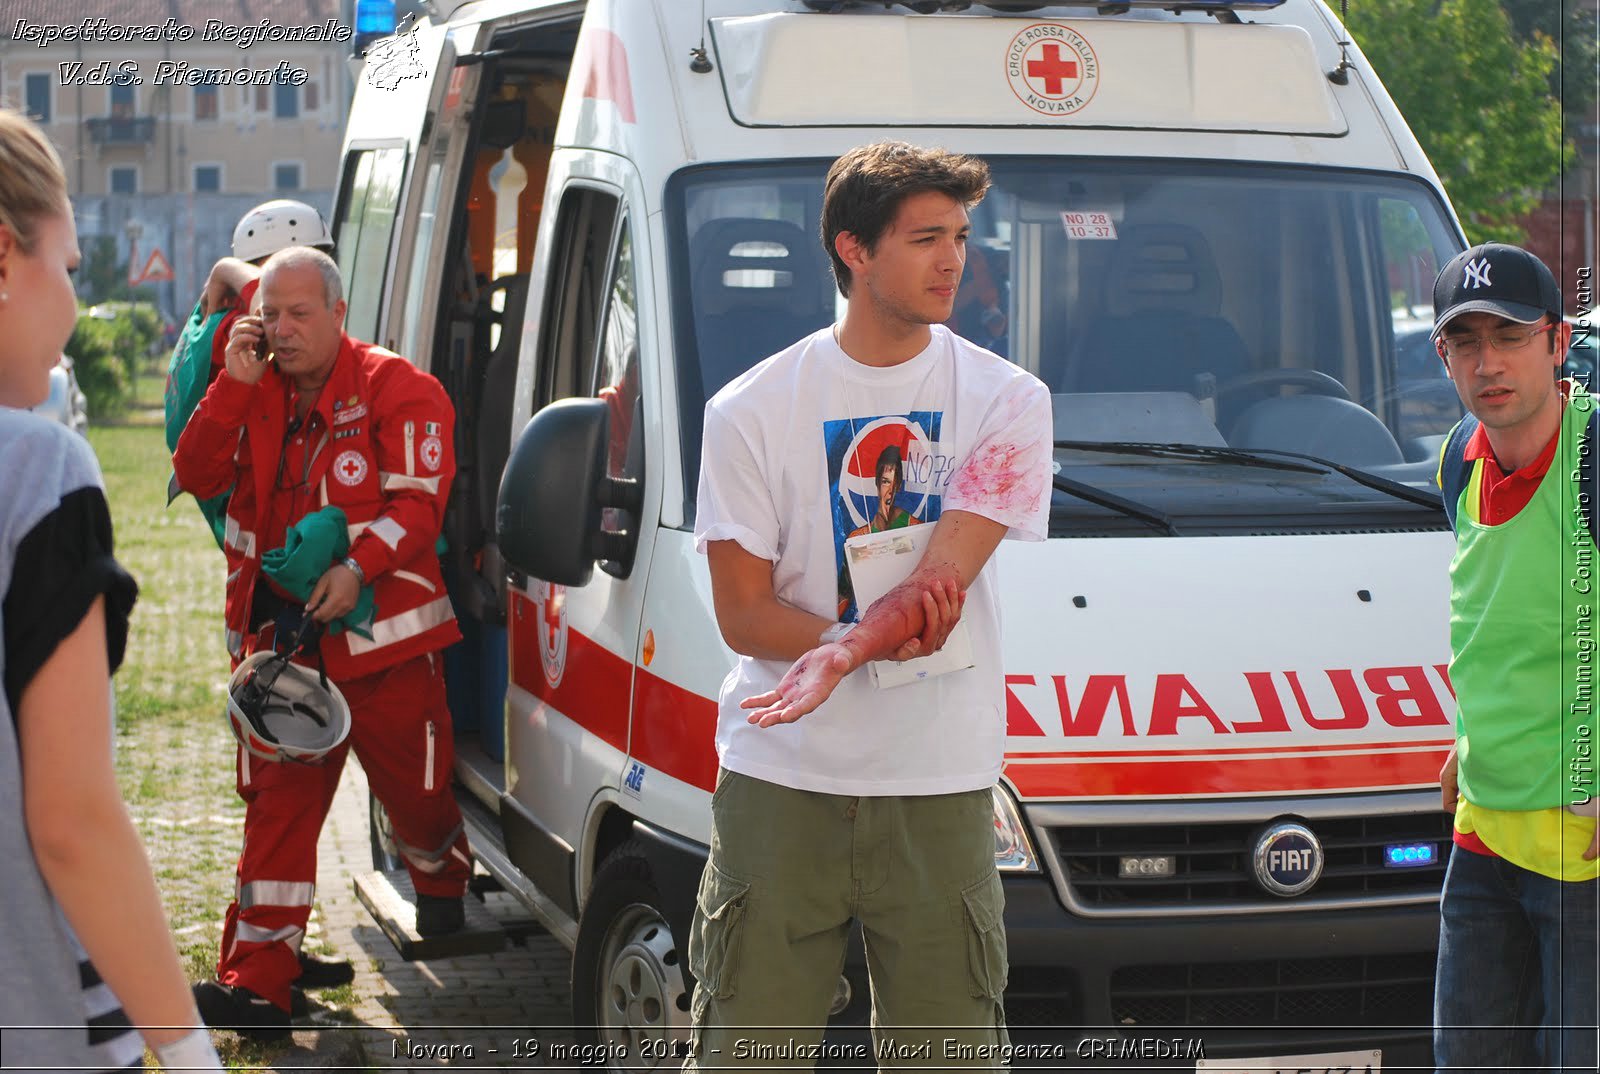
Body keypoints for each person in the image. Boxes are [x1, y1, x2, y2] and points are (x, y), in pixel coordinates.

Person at [688, 142, 1052, 1067]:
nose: (952, 261)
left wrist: (844, 653)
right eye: (925, 238)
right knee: (745, 1053)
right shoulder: (748, 409)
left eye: (962, 237)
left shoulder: (1008, 400)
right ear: (852, 249)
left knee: (951, 1058)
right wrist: (843, 644)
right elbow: (743, 614)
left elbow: (940, 583)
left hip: (937, 781)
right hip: (784, 778)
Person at [173, 246, 472, 1039]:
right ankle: (259, 986)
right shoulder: (250, 387)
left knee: (416, 795)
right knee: (277, 812)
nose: (283, 329)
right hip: (285, 646)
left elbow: (418, 509)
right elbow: (197, 473)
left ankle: (442, 877)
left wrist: (356, 567)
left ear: (340, 315)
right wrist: (232, 387)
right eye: (270, 314)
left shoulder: (399, 389)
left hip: (387, 653)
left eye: (300, 314)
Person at [0, 107, 222, 1072]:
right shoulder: (35, 470)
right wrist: (191, 1052)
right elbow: (73, 821)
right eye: (70, 268)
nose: (73, 307)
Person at [1430, 241, 1598, 1072]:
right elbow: (1490, 614)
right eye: (1466, 342)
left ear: (1558, 343)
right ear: (1442, 355)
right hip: (1484, 835)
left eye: (1510, 336)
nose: (1488, 362)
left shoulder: (1594, 458)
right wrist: (1463, 738)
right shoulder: (1457, 457)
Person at [165, 199, 335, 550]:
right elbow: (265, 298)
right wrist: (225, 269)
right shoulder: (243, 329)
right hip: (268, 525)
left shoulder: (206, 321)